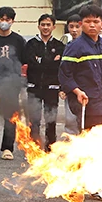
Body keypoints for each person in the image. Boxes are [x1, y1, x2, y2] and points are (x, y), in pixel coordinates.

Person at [58, 4, 102, 202]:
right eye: (88, 22)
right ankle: (88, 185)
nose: (92, 25)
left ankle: (86, 182)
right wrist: (77, 91)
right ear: (81, 24)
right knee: (88, 145)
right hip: (86, 104)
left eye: (96, 21)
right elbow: (65, 74)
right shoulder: (75, 47)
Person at [0, 7, 27, 160]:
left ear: (13, 21)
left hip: (12, 85)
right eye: (2, 19)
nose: (4, 22)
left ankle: (7, 149)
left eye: (8, 19)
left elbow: (23, 63)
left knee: (10, 117)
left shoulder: (19, 40)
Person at [23, 14, 66, 151]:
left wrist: (41, 60)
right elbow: (32, 63)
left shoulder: (59, 46)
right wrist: (50, 61)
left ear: (53, 26)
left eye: (48, 25)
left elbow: (59, 66)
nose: (45, 27)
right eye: (43, 24)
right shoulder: (31, 44)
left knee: (51, 119)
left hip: (52, 87)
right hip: (33, 86)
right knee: (34, 120)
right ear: (38, 26)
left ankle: (50, 147)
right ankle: (33, 147)